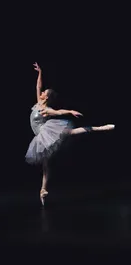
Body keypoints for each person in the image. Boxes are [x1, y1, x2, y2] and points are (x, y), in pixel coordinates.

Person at [25, 62, 115, 205]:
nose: (41, 93)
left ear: (46, 98)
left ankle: (100, 128)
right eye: (42, 92)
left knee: (71, 132)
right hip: (40, 137)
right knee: (45, 165)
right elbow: (38, 86)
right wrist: (40, 72)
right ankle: (43, 191)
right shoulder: (38, 102)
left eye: (44, 93)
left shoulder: (46, 109)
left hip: (45, 133)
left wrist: (70, 111)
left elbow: (58, 112)